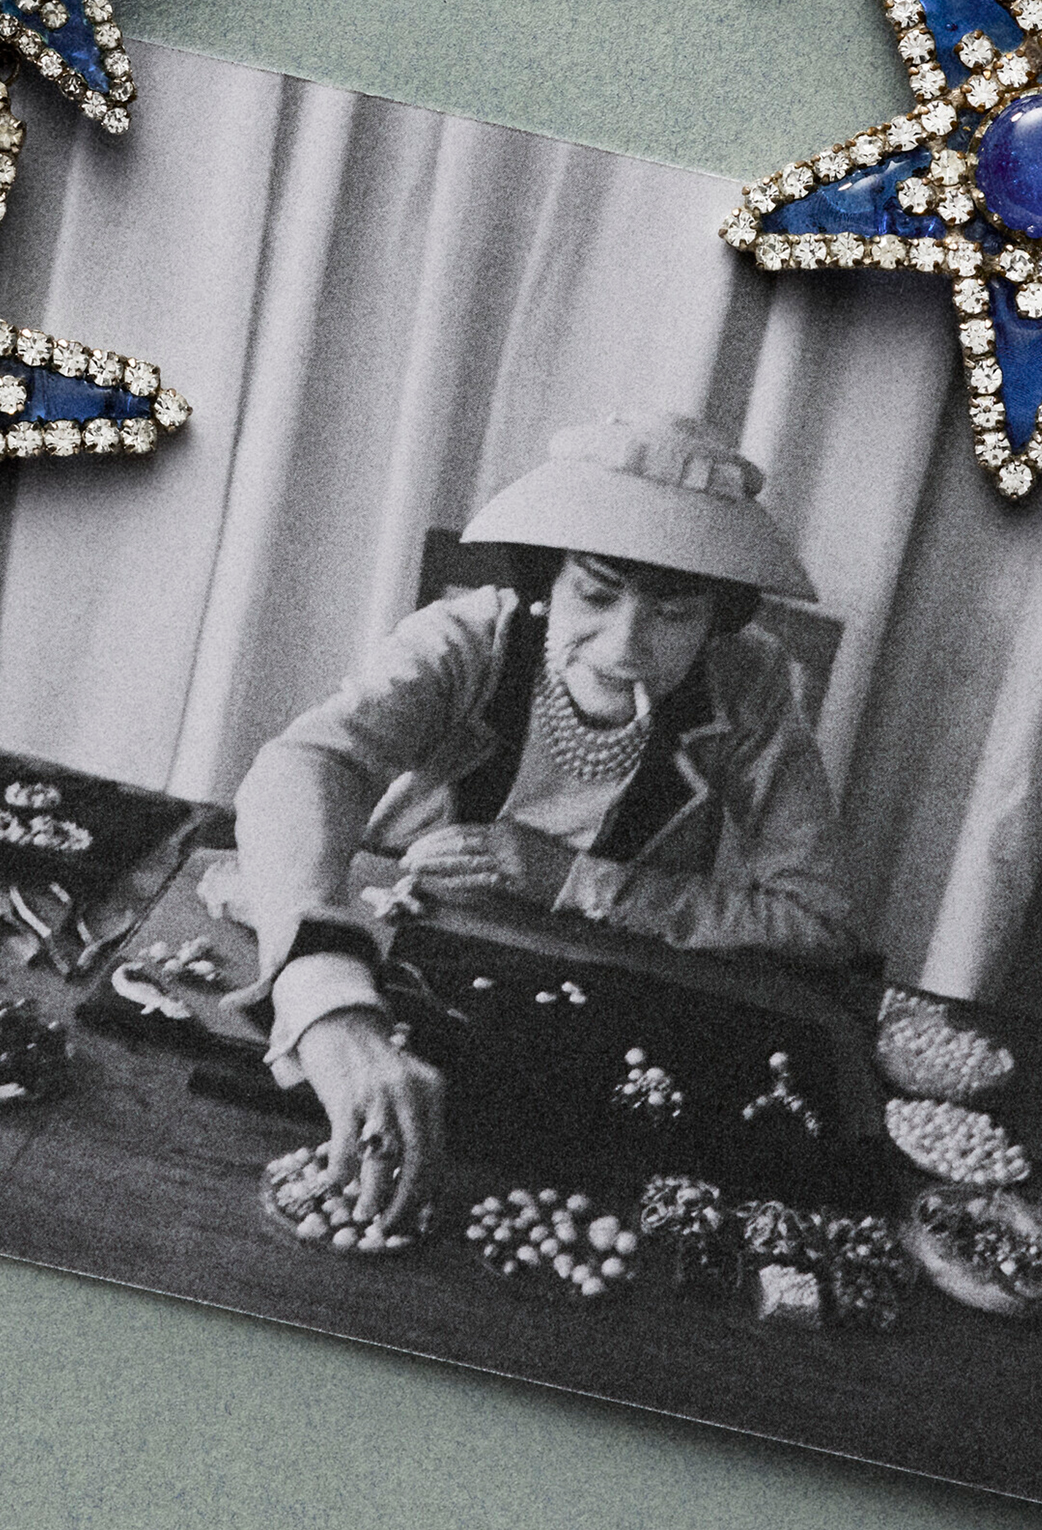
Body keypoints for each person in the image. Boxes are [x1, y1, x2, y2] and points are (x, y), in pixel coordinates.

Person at [227, 414, 850, 1228]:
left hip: (609, 1007)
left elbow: (818, 919)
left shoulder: (751, 684)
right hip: (403, 954)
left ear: (715, 620)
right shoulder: (464, 640)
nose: (625, 644)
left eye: (673, 615)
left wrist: (574, 880)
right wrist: (322, 982)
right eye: (595, 594)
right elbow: (304, 765)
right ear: (546, 579)